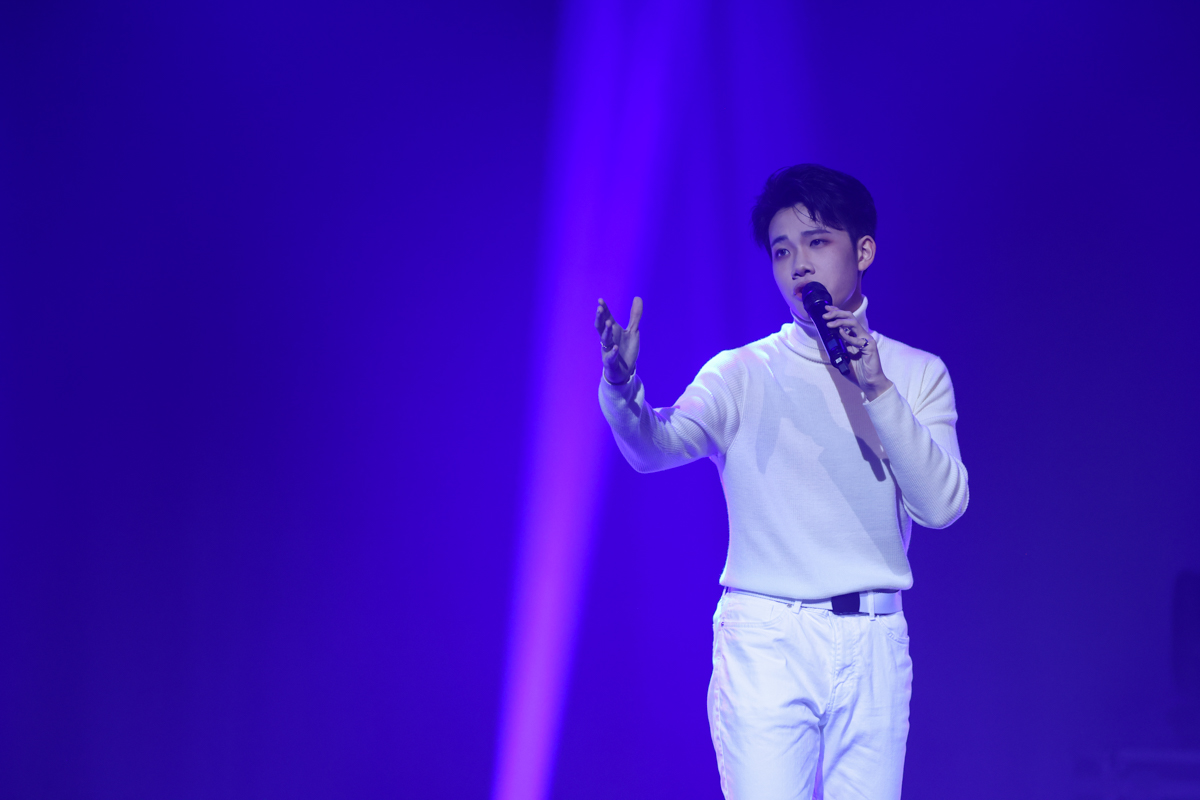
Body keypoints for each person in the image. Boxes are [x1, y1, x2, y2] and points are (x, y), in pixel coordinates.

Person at [593, 163, 969, 799]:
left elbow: (941, 506)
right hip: (768, 637)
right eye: (782, 251)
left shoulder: (916, 373)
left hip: (874, 637)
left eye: (817, 242)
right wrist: (622, 388)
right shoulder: (742, 372)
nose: (799, 265)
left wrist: (876, 387)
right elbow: (657, 447)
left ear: (863, 251)